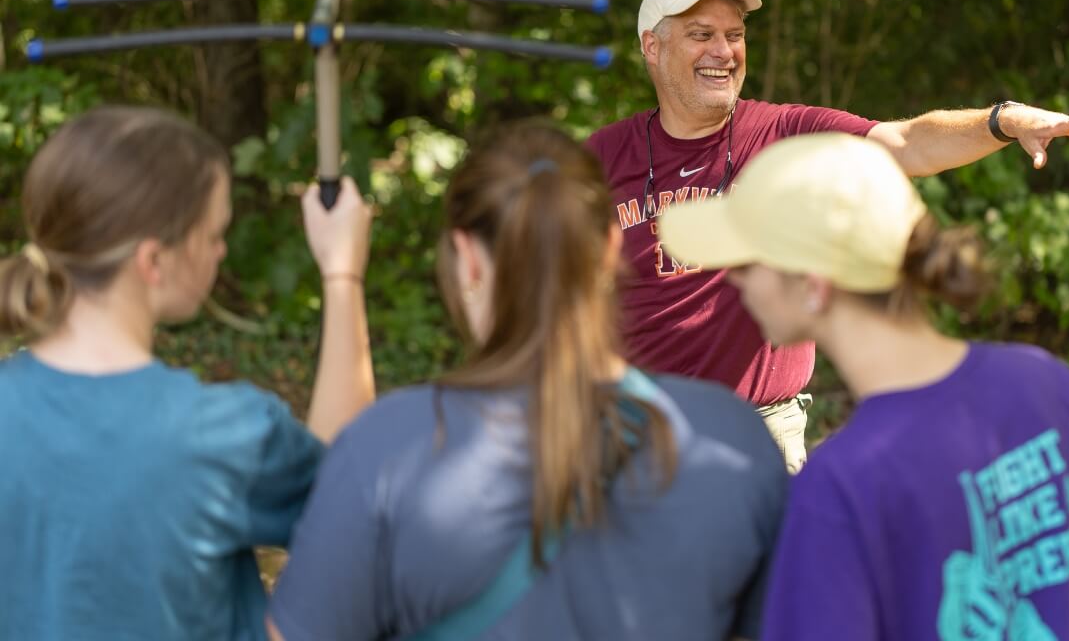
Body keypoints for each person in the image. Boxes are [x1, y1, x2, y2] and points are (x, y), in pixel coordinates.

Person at [585, 0, 1069, 472]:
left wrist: (1004, 121)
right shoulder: (599, 160)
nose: (724, 52)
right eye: (702, 35)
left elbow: (908, 144)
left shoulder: (785, 132)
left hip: (759, 435)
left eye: (736, 34)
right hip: (633, 434)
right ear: (651, 48)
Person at [267, 123, 788, 641]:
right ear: (611, 246)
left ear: (467, 259)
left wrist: (342, 278)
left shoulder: (387, 450)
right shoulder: (730, 439)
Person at [659, 132, 1069, 640]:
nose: (733, 280)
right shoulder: (1048, 382)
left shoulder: (838, 488)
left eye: (748, 262)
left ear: (812, 286)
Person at [0, 106, 375, 640]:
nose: (221, 251)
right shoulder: (222, 435)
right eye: (213, 233)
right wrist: (343, 274)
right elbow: (346, 510)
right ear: (154, 262)